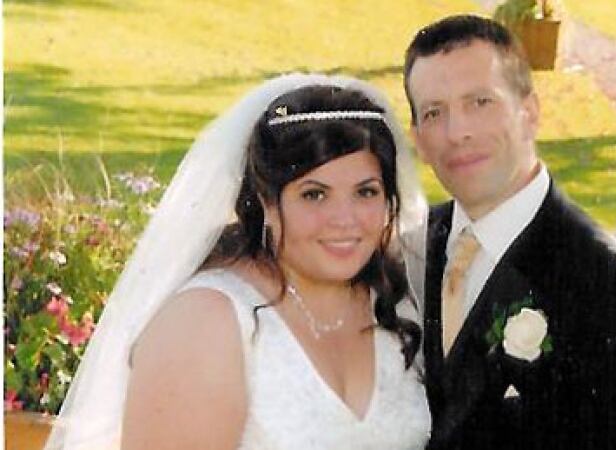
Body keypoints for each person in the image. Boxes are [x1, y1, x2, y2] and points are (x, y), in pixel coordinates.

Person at [44, 74, 431, 450]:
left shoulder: (395, 299)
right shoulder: (206, 322)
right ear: (266, 202)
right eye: (314, 195)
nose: (345, 219)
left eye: (365, 192)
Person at [403, 15, 616, 450]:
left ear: (529, 112)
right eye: (435, 112)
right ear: (417, 137)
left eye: (480, 102)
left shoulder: (614, 290)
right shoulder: (408, 250)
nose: (458, 132)